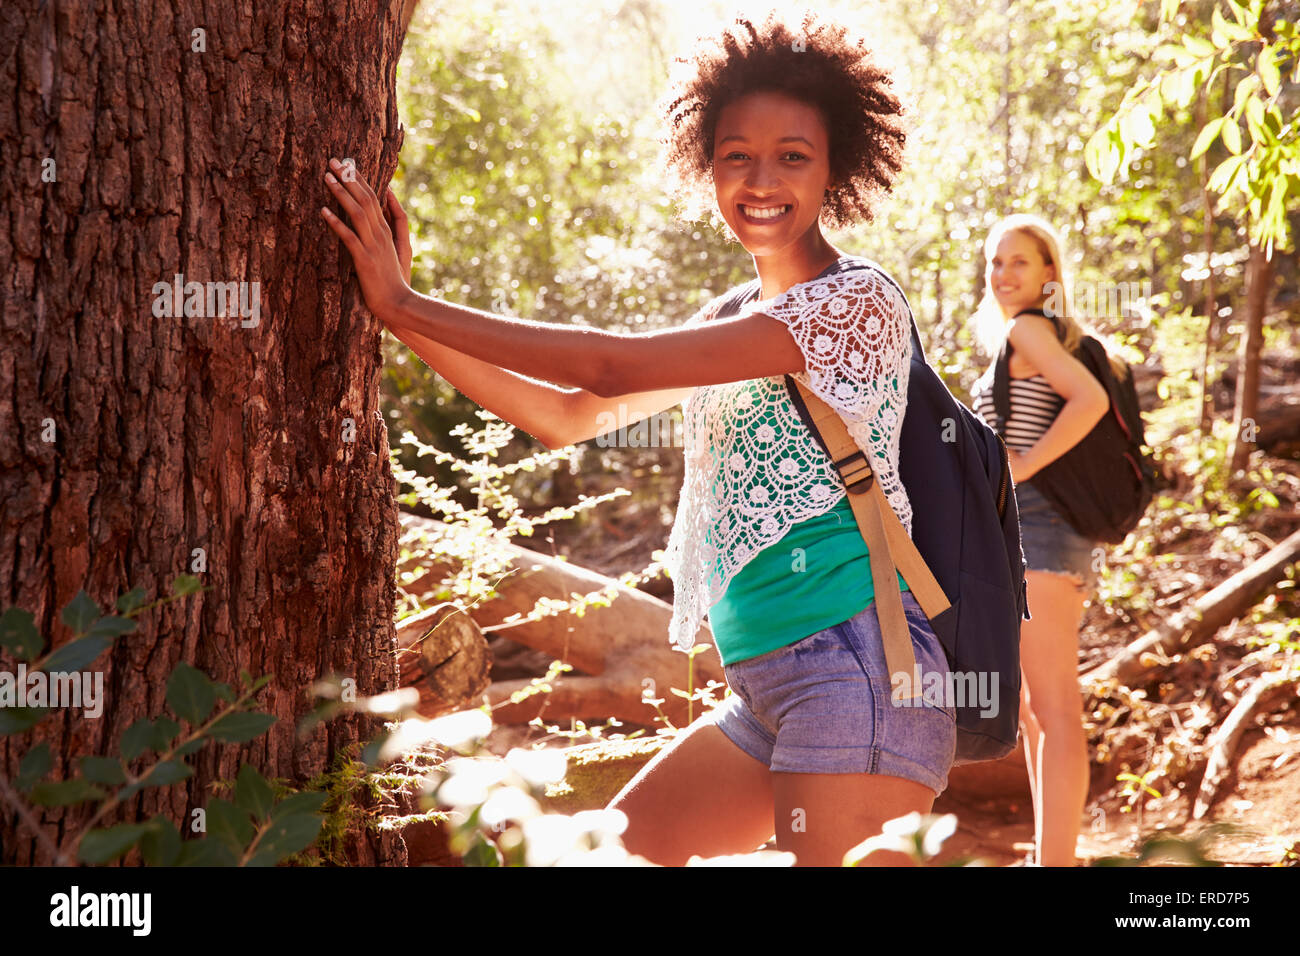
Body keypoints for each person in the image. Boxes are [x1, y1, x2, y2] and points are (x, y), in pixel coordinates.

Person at [321, 9, 954, 867]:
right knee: (599, 860)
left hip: (857, 676)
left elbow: (610, 367)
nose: (760, 178)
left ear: (838, 166)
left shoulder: (854, 305)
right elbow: (566, 415)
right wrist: (396, 314)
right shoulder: (732, 317)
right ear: (707, 165)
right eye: (737, 154)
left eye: (792, 156)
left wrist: (403, 303)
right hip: (765, 691)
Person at [968, 214, 1114, 866]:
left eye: (1018, 262)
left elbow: (1089, 401)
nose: (1003, 275)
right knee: (1032, 707)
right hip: (1028, 534)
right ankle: (1048, 854)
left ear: (1049, 272)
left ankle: (1056, 861)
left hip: (1043, 533)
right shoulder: (1021, 337)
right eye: (995, 262)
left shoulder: (1031, 329)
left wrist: (1020, 465)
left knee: (1053, 708)